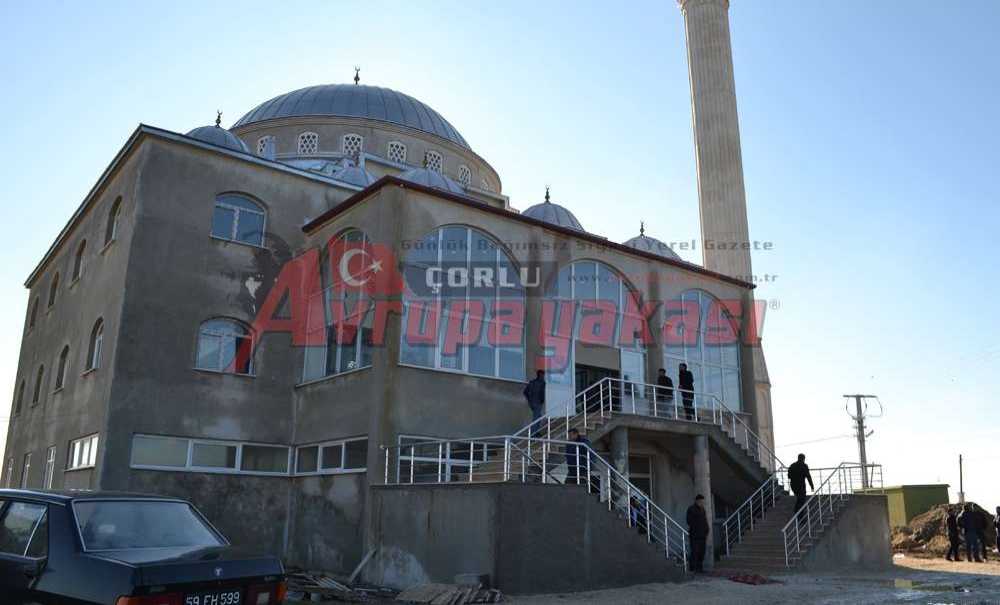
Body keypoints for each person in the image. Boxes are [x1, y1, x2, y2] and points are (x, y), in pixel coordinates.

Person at [686, 494, 710, 573]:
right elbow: (689, 521)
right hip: (695, 535)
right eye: (701, 501)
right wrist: (697, 527)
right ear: (697, 501)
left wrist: (707, 529)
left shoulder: (703, 509)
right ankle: (693, 568)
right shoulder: (691, 509)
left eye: (703, 501)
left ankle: (700, 568)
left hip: (702, 535)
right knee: (695, 552)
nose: (702, 503)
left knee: (702, 552)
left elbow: (705, 520)